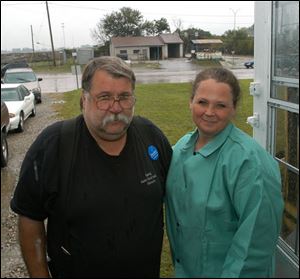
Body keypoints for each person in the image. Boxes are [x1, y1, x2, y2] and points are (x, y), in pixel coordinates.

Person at [10, 56, 172, 278]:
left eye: (124, 97)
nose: (115, 108)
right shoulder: (53, 145)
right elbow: (29, 218)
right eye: (104, 98)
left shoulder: (151, 137)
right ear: (83, 100)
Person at [165, 68, 284, 278]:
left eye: (220, 105)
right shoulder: (182, 148)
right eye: (202, 102)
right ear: (190, 102)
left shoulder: (251, 163)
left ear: (234, 109)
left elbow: (254, 247)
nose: (209, 112)